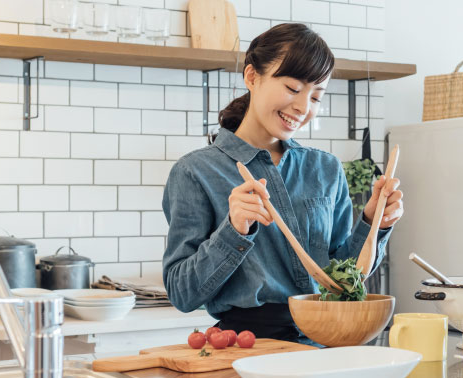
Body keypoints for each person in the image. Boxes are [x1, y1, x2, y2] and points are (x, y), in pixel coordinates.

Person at [161, 23, 404, 345]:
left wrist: (374, 223)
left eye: (316, 96)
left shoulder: (325, 167)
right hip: (247, 346)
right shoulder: (195, 171)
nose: (304, 108)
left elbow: (346, 280)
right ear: (252, 77)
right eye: (292, 88)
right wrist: (235, 229)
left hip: (329, 342)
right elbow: (182, 294)